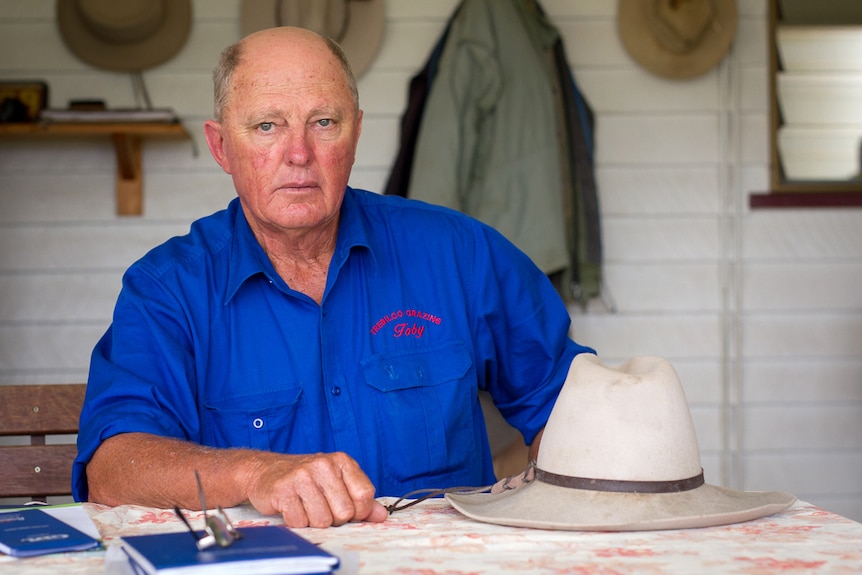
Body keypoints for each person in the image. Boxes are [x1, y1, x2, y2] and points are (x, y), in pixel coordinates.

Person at [73, 26, 595, 529]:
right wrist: (258, 473)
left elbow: (571, 408)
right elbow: (113, 469)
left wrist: (553, 519)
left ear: (356, 132)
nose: (299, 154)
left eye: (323, 122)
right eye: (267, 127)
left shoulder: (461, 253)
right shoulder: (167, 289)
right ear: (221, 147)